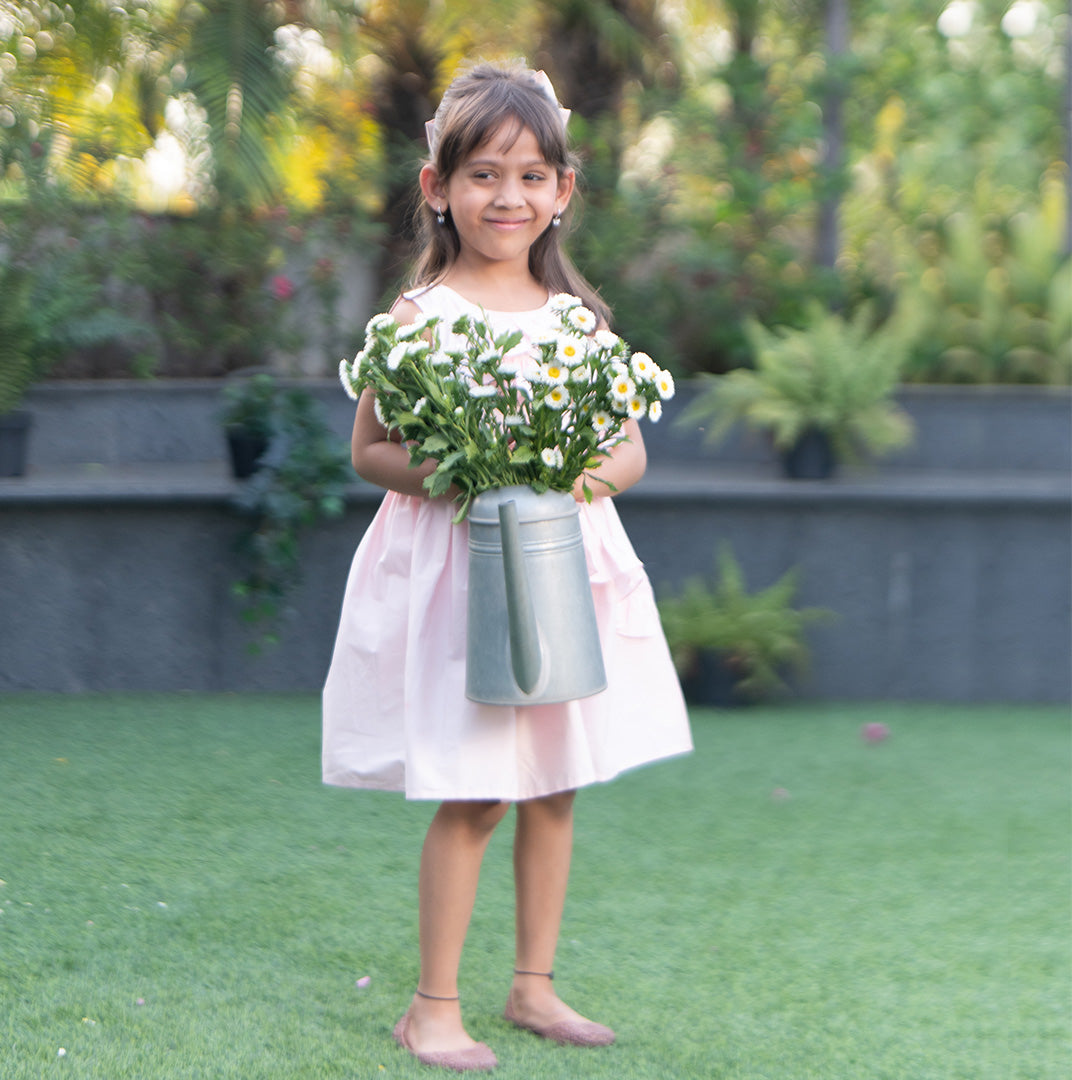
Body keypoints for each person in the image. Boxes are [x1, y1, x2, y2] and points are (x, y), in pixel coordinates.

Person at [322, 60, 692, 1072]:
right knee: (476, 788)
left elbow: (628, 450)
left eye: (532, 176)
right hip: (462, 573)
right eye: (483, 175)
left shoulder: (579, 325)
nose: (508, 197)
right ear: (437, 185)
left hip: (561, 566)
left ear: (563, 192)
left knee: (556, 783)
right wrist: (467, 472)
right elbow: (369, 451)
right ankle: (430, 1006)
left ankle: (533, 986)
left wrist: (566, 479)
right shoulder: (418, 320)